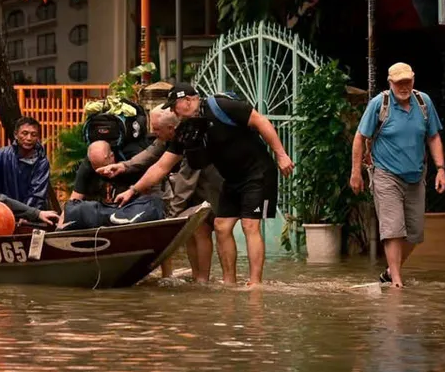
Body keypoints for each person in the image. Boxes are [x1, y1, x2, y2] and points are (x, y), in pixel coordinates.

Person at [115, 83, 293, 288]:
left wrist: (281, 155)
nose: (173, 111)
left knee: (249, 224)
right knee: (221, 226)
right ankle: (230, 283)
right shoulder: (186, 130)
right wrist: (133, 189)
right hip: (232, 179)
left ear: (189, 100)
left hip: (257, 174)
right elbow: (162, 166)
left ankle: (255, 284)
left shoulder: (221, 106)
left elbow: (260, 122)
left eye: (175, 106)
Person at [349, 62, 445, 289]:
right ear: (390, 83)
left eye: (407, 82)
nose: (404, 87)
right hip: (386, 174)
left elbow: (433, 137)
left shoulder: (424, 103)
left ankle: (389, 272)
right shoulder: (379, 104)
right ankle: (397, 282)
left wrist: (440, 169)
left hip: (416, 174)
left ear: (413, 81)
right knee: (393, 228)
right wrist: (356, 173)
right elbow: (359, 137)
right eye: (399, 83)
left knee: (414, 233)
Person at [101, 105, 222, 282]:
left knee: (203, 230)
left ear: (171, 129)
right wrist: (124, 166)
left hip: (209, 184)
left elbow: (184, 184)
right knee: (191, 231)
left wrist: (172, 216)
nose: (153, 132)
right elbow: (152, 155)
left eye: (157, 129)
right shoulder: (168, 137)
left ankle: (204, 279)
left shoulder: (189, 138)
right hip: (189, 187)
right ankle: (197, 277)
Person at [0, 116, 51, 210]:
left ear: (38, 137)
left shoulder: (42, 162)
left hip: (31, 214)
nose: (29, 138)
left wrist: (27, 214)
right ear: (16, 135)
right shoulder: (1, 155)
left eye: (33, 134)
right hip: (2, 211)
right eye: (25, 133)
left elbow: (37, 194)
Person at [69, 140, 137, 204]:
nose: (102, 172)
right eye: (97, 168)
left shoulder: (131, 158)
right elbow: (75, 197)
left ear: (112, 156)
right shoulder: (87, 166)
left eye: (105, 166)